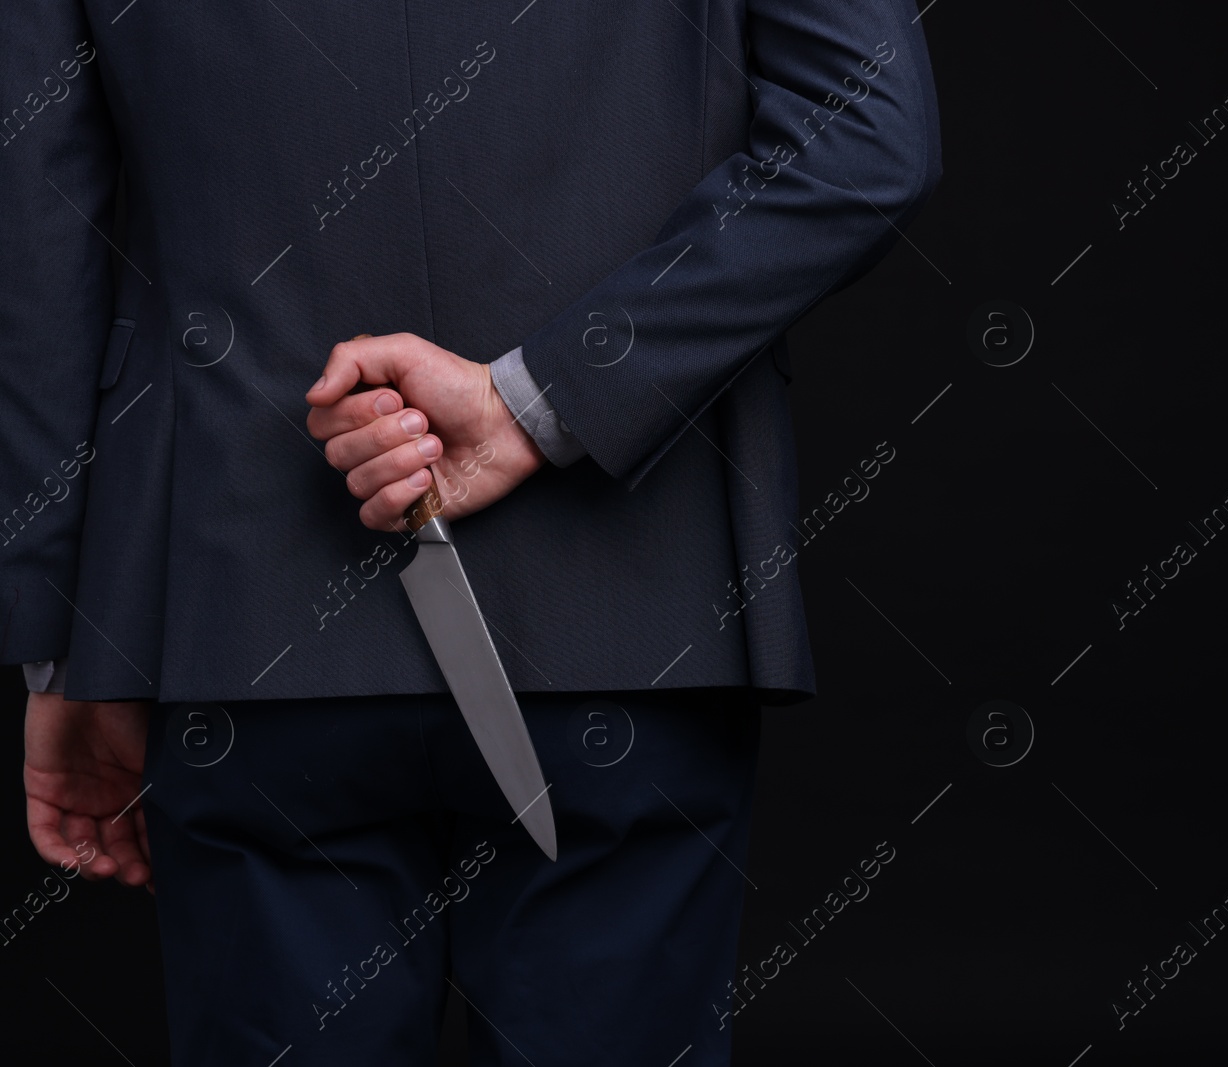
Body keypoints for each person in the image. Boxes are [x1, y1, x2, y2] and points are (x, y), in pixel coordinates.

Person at [2, 0, 940, 1062]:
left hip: (240, 610)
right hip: (636, 602)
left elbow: (29, 227)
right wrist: (544, 395)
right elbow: (867, 135)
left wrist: (59, 637)